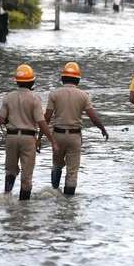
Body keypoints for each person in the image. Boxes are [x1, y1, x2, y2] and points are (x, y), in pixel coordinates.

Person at [42, 62, 109, 196]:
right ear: (78, 79)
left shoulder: (54, 94)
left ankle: (55, 193)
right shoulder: (83, 95)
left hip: (58, 135)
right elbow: (93, 117)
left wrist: (40, 137)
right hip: (74, 137)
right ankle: (68, 203)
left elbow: (47, 118)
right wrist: (102, 129)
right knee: (72, 172)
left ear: (62, 79)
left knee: (56, 165)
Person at [0, 64, 57, 200]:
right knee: (27, 174)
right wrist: (52, 140)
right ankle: (24, 207)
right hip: (28, 138)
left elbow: (1, 119)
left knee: (10, 170)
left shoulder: (8, 97)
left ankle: (7, 197)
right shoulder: (35, 98)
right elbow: (41, 122)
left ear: (17, 81)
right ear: (32, 81)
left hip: (11, 137)